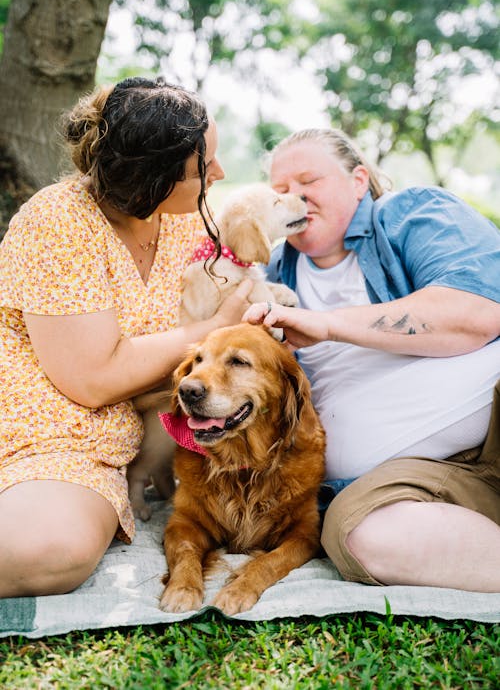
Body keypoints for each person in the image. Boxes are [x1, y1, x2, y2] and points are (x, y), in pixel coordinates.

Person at [0, 76, 253, 598]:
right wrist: (212, 328)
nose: (221, 175)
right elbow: (91, 380)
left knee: (50, 550)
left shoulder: (183, 223)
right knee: (51, 550)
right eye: (204, 168)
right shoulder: (57, 221)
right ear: (151, 179)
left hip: (107, 443)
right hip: (39, 434)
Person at [243, 127, 500, 592]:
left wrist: (328, 323)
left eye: (308, 181)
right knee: (361, 534)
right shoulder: (274, 272)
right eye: (280, 192)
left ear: (358, 180)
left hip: (493, 421)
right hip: (425, 474)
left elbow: (478, 313)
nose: (294, 197)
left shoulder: (412, 213)